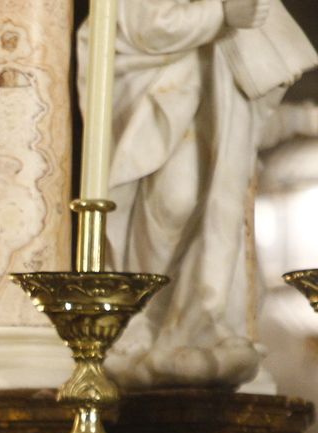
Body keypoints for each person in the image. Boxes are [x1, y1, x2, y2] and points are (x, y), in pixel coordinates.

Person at [93, 0, 316, 387]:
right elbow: (145, 25)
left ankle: (200, 321)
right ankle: (141, 316)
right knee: (171, 203)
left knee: (218, 213)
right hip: (157, 92)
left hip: (215, 88)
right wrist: (220, 16)